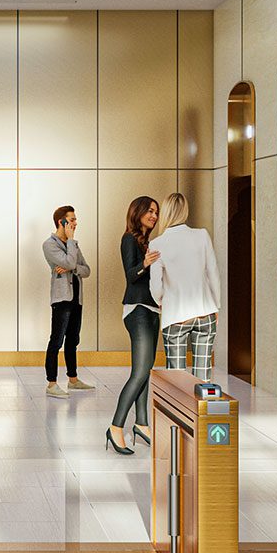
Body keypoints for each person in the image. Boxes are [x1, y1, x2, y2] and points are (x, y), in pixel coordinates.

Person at [107, 195, 162, 455]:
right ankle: (116, 427)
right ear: (138, 212)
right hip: (137, 309)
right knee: (139, 372)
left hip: (152, 309)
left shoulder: (148, 241)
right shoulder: (129, 238)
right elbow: (130, 275)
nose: (154, 215)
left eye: (156, 212)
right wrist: (145, 264)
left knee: (146, 370)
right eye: (150, 211)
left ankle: (141, 423)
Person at [148, 191, 221, 380]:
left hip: (175, 315)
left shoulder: (157, 243)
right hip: (205, 312)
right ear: (184, 211)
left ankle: (179, 410)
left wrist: (161, 301)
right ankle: (201, 408)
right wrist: (216, 306)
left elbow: (156, 287)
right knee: (203, 376)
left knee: (177, 378)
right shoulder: (202, 236)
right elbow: (212, 273)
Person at [42, 204, 94, 398]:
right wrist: (72, 260)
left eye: (74, 220)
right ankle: (52, 384)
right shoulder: (49, 244)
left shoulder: (74, 245)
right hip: (62, 298)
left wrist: (71, 267)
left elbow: (86, 270)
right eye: (71, 220)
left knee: (73, 340)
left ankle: (73, 380)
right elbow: (72, 262)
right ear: (61, 222)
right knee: (56, 340)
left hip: (76, 298)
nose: (75, 223)